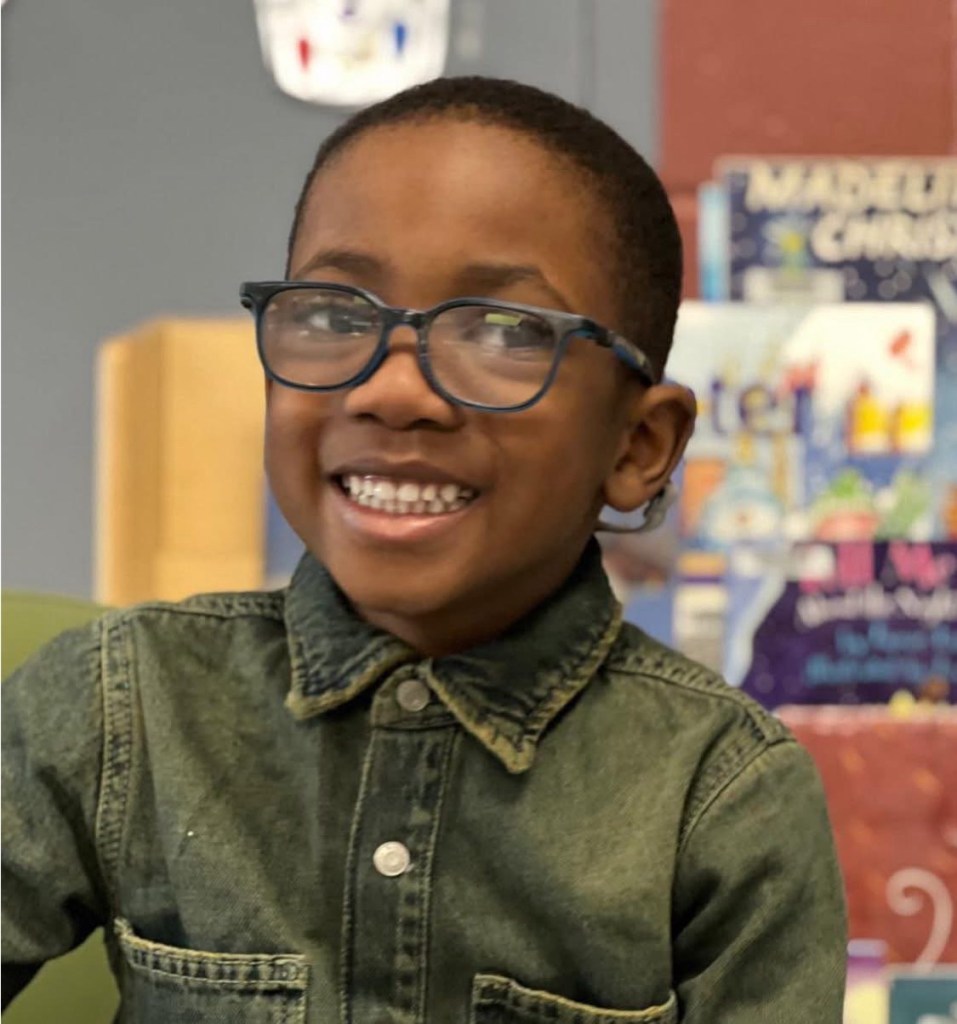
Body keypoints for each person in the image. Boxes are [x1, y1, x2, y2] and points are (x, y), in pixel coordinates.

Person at [2, 76, 847, 1022]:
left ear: (637, 446)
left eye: (503, 330)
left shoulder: (722, 798)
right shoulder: (119, 707)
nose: (393, 392)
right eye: (332, 314)